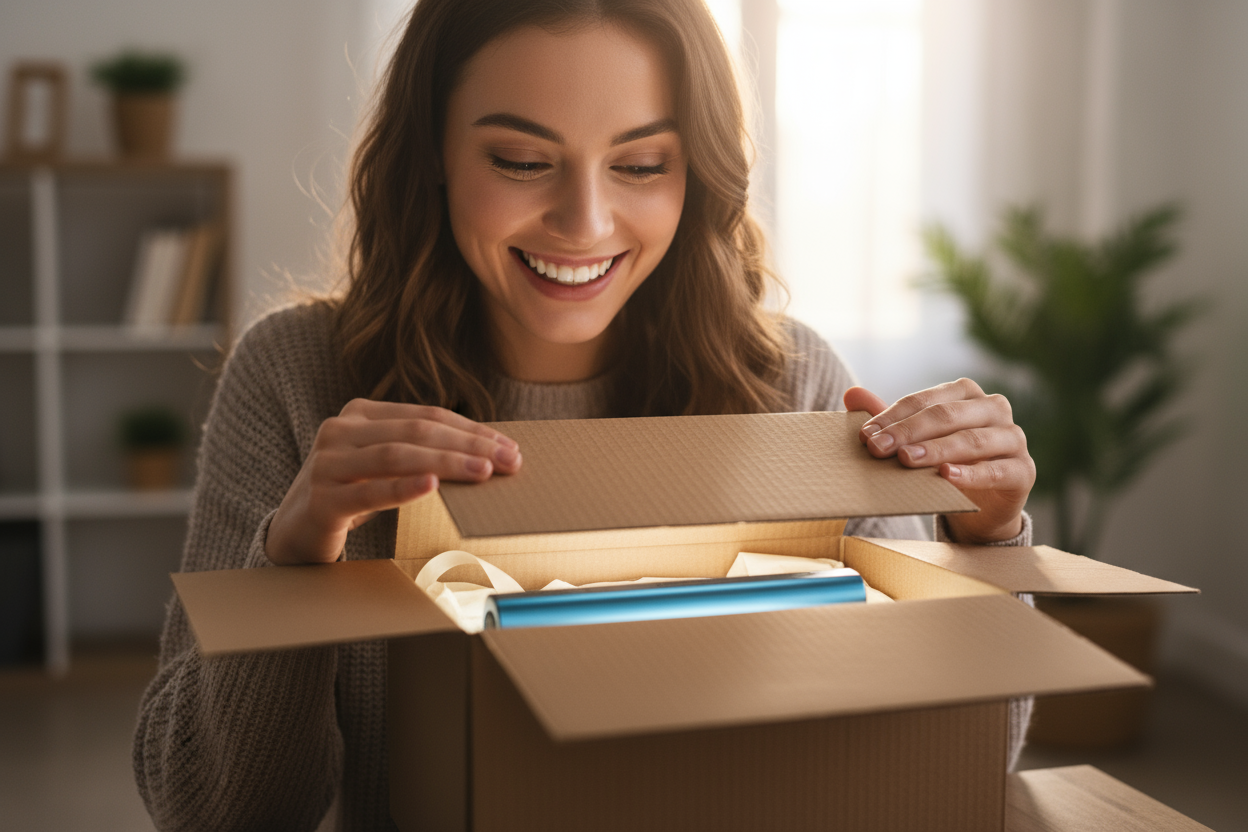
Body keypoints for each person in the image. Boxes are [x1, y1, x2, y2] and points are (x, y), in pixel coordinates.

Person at [133, 0, 1036, 829]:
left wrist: (985, 544)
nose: (584, 219)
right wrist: (292, 563)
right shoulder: (296, 378)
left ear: (698, 176)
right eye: (521, 162)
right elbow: (208, 811)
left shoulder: (790, 383)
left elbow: (950, 768)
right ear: (433, 159)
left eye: (642, 165)